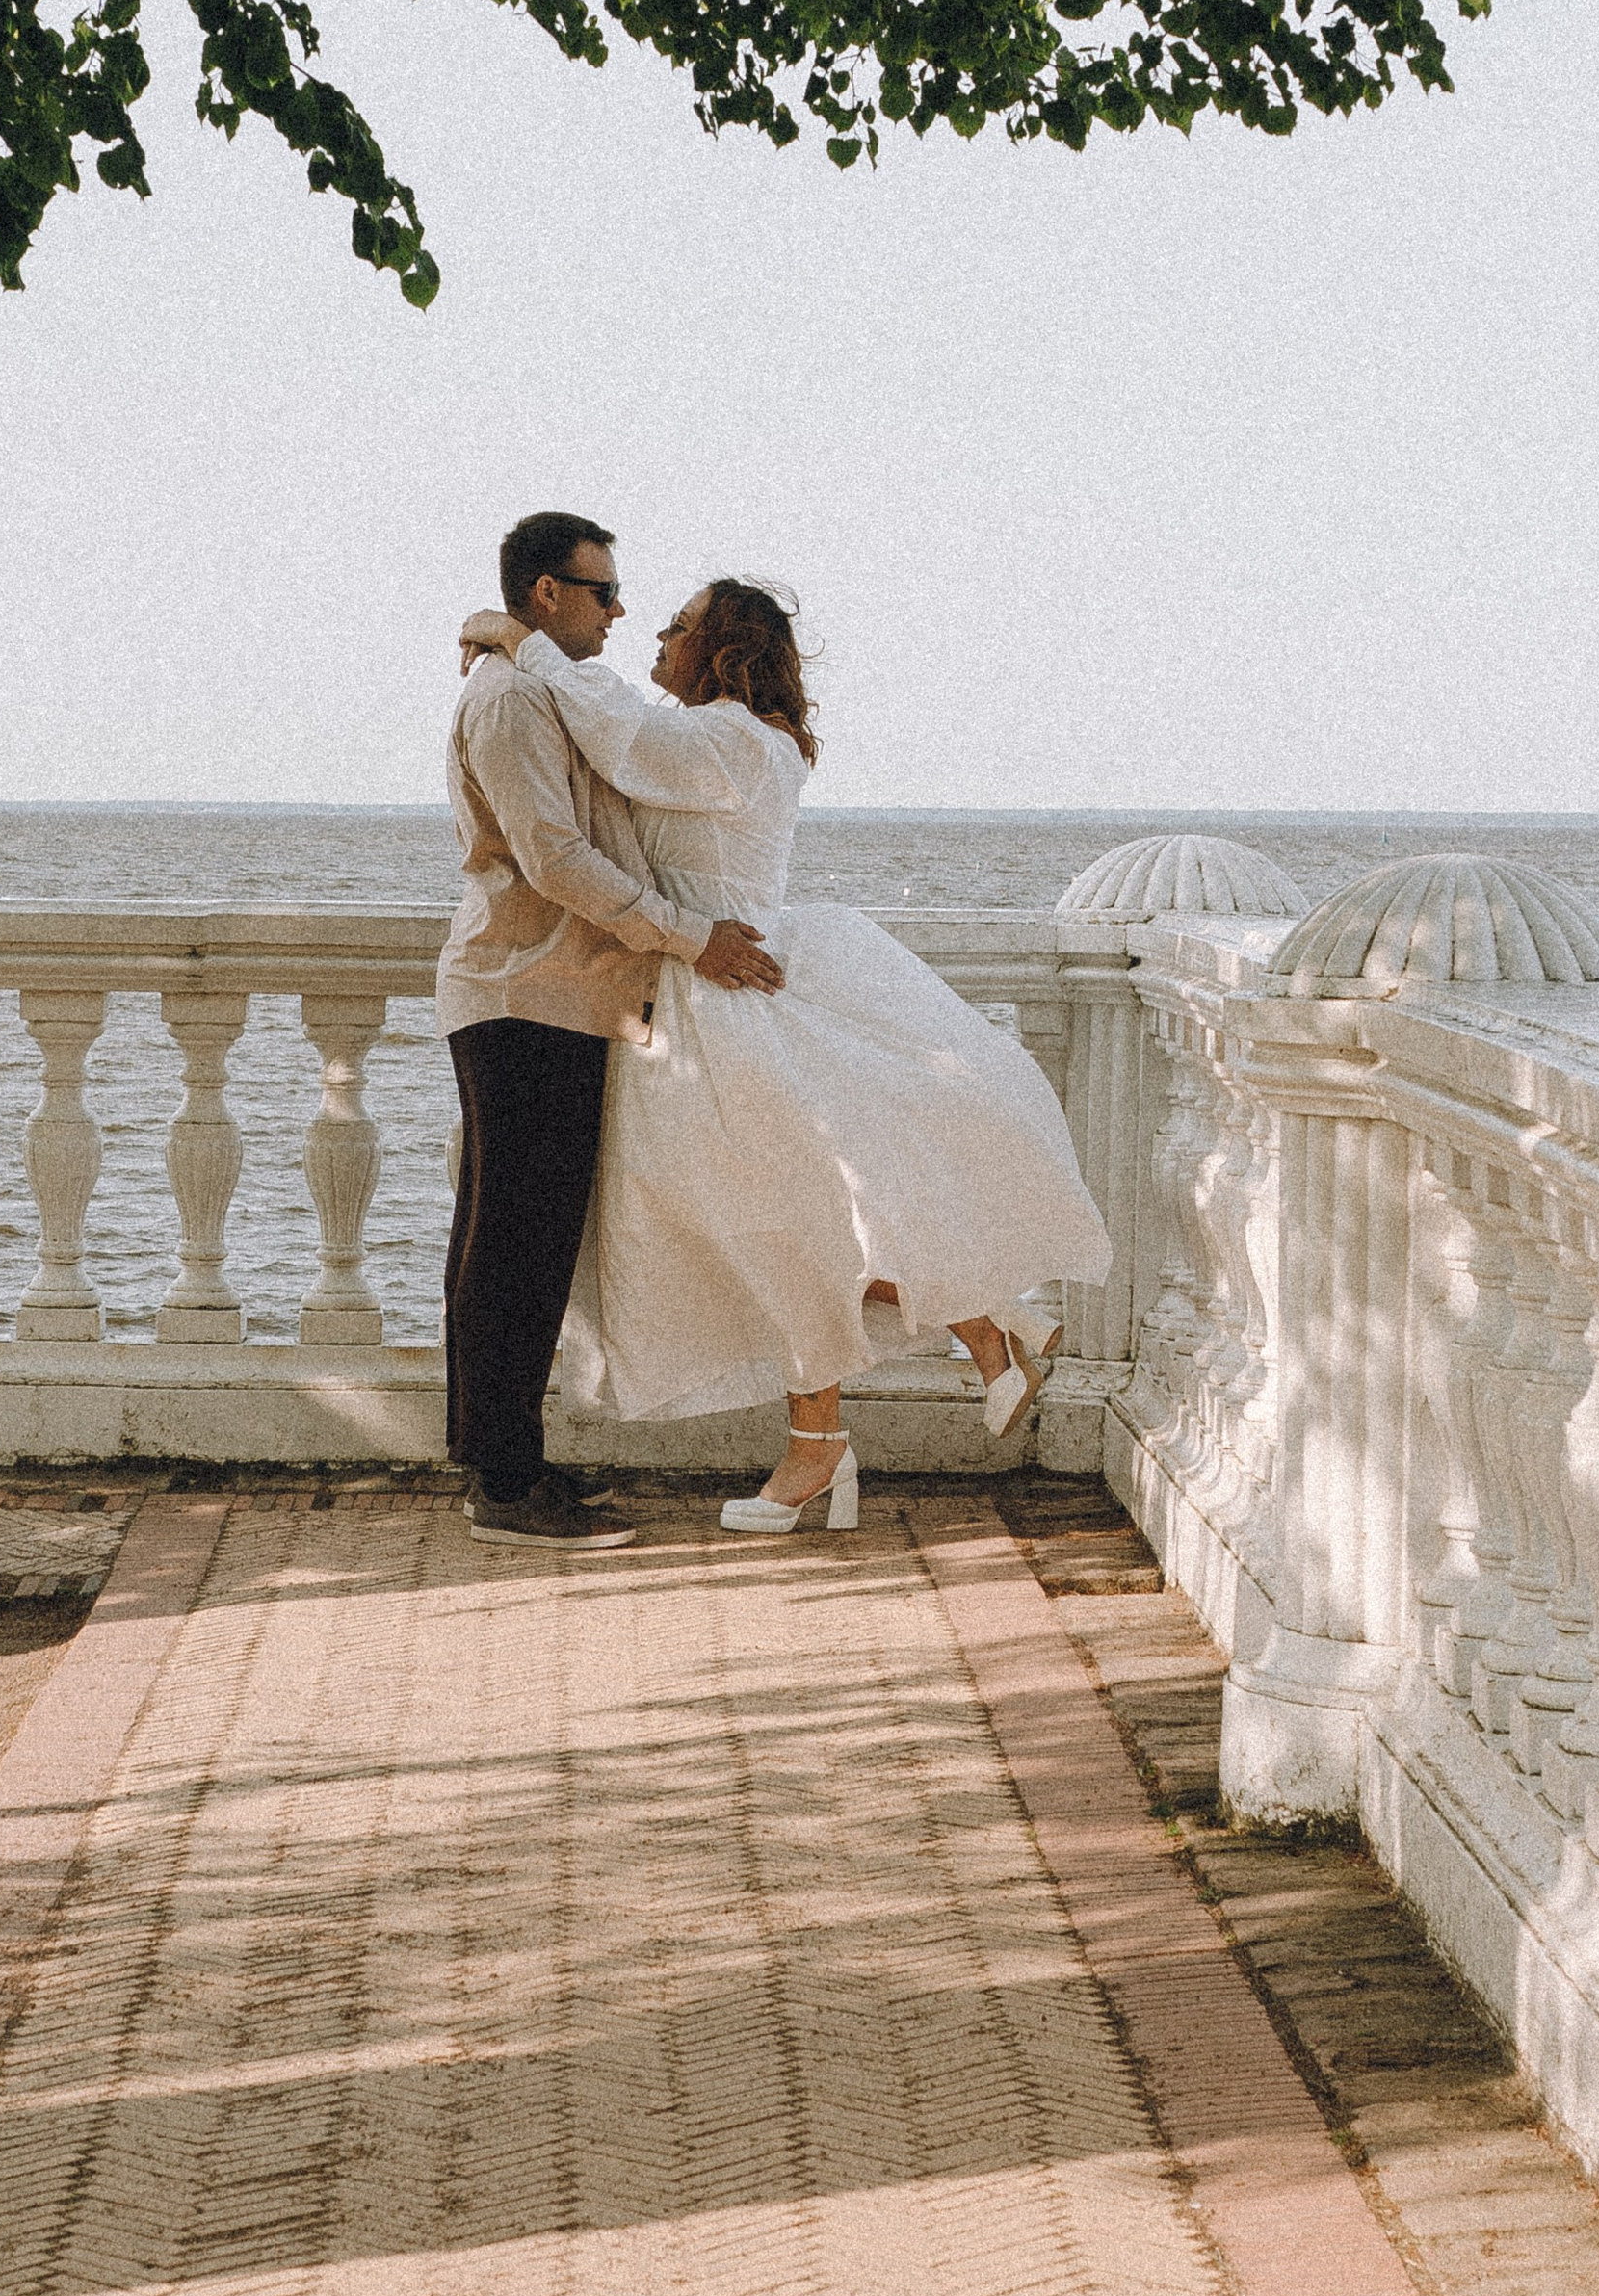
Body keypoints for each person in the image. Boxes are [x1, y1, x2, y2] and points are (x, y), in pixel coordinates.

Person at [458, 576, 1113, 1532]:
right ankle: (964, 1331)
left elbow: (616, 729)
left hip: (723, 1002)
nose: (655, 636)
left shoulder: (725, 739)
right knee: (764, 1228)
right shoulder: (724, 737)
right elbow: (621, 726)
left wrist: (513, 636)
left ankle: (847, 1423)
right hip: (696, 998)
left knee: (768, 1229)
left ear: (719, 652)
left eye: (678, 626)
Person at [438, 511, 790, 1548]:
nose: (621, 609)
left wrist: (496, 630)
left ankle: (510, 1461)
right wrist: (693, 938)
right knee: (510, 1247)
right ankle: (503, 1485)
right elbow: (553, 861)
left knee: (529, 1244)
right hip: (522, 991)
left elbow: (627, 742)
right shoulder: (507, 701)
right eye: (602, 591)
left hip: (561, 993)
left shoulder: (538, 681)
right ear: (546, 594)